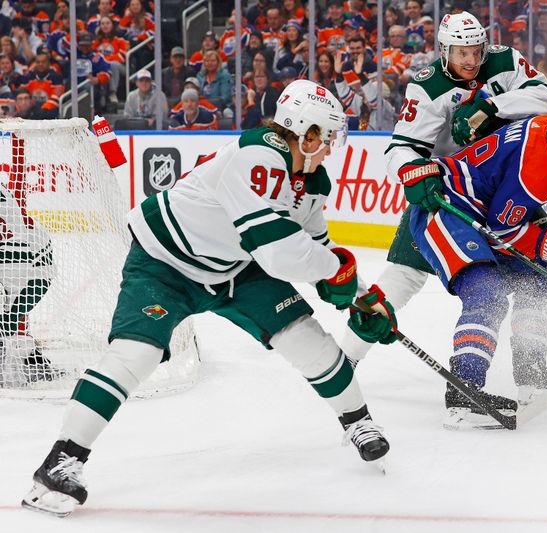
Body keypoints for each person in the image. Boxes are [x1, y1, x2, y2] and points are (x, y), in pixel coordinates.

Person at [22, 79, 397, 517]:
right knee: (134, 356)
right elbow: (279, 252)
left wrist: (362, 297)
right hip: (166, 263)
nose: (333, 146)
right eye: (329, 136)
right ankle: (60, 462)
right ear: (307, 131)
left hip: (237, 267)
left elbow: (318, 249)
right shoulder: (257, 155)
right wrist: (338, 275)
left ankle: (358, 422)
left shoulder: (311, 181)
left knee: (306, 339)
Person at [339, 11, 547, 398]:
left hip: (507, 183)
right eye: (461, 53)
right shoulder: (426, 87)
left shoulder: (503, 60)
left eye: (476, 50)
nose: (472, 61)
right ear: (443, 51)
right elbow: (401, 148)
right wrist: (416, 175)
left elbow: (546, 99)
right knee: (403, 279)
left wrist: (491, 105)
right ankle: (346, 360)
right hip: (451, 193)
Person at [407, 100, 547, 428]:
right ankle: (465, 391)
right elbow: (503, 231)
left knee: (539, 281)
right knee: (486, 292)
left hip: (481, 206)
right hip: (447, 207)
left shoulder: (546, 127)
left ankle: (529, 367)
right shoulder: (537, 170)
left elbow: (508, 195)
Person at [0, 179, 59, 388]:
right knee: (7, 325)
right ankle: (29, 360)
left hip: (24, 263)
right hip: (40, 261)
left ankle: (21, 359)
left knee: (6, 325)